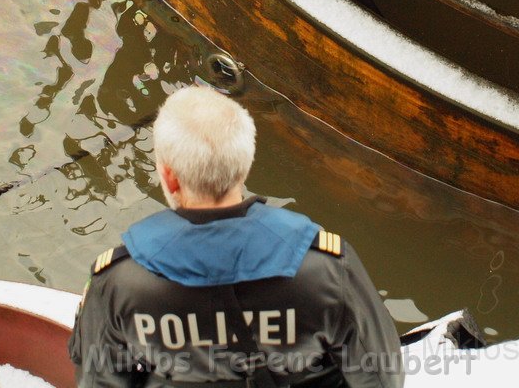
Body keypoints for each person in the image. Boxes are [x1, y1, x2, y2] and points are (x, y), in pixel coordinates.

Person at [69, 85, 403, 388]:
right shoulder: (326, 268)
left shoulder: (117, 283)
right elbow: (381, 377)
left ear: (170, 178)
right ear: (243, 166)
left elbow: (100, 381)